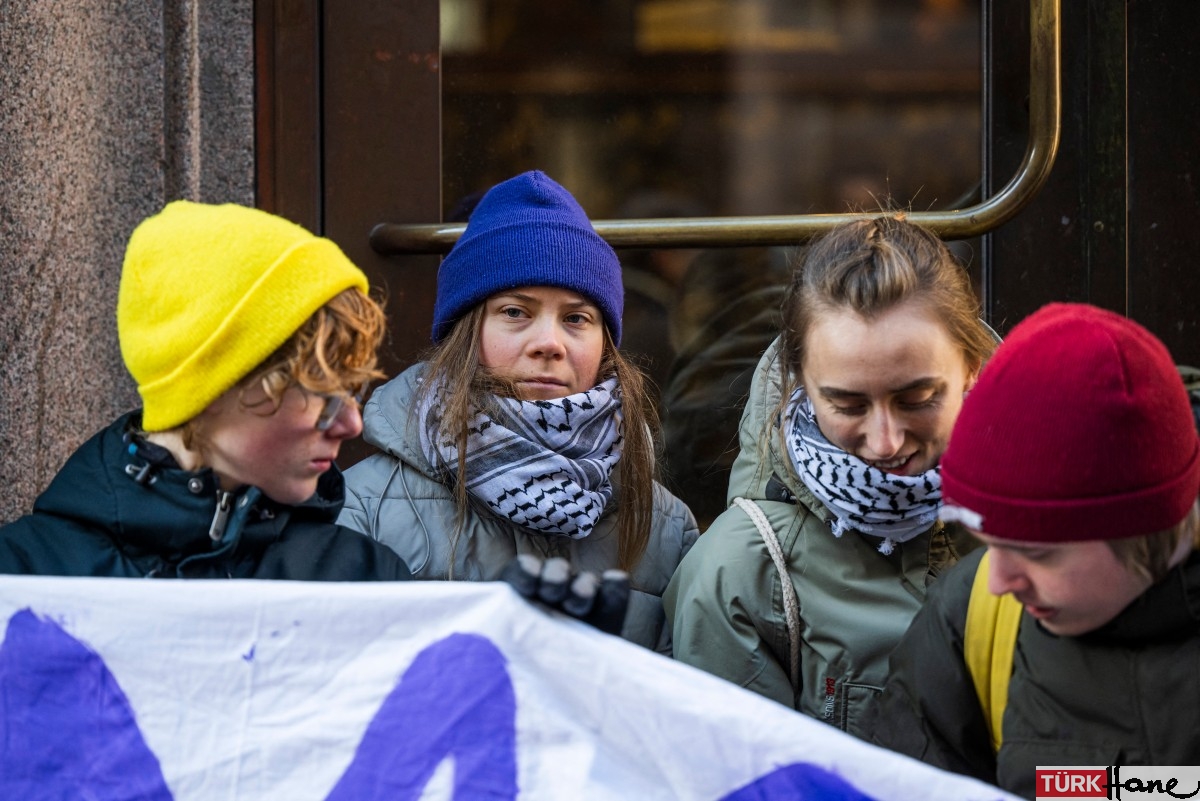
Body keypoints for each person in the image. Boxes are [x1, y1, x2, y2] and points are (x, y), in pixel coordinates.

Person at [663, 215, 996, 736]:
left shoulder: (1054, 525)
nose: (886, 442)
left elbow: (1124, 780)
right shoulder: (738, 576)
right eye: (847, 404)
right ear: (799, 383)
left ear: (972, 367)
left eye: (918, 399)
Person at [339, 170, 698, 653]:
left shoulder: (663, 525)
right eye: (515, 312)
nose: (549, 343)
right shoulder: (365, 508)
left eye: (576, 318)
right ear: (466, 333)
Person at [867, 303, 1200, 797]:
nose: (999, 581)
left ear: (1144, 528)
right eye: (988, 545)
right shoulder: (972, 618)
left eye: (1035, 552)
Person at [0, 200, 412, 580]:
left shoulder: (364, 580)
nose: (352, 423)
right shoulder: (24, 575)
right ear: (212, 385)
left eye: (352, 391)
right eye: (320, 393)